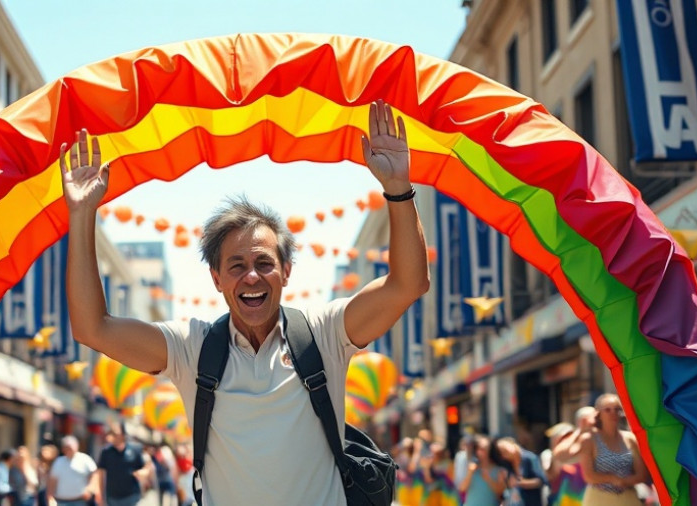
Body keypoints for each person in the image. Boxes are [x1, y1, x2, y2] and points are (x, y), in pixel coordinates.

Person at [60, 98, 430, 506]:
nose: (251, 276)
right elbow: (92, 328)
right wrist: (81, 215)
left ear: (287, 271)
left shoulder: (323, 333)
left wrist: (398, 190)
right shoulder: (193, 348)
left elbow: (407, 285)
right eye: (235, 265)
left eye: (264, 263)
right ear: (216, 279)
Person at [580, 394, 648, 505]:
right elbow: (589, 476)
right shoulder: (589, 439)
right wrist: (612, 478)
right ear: (599, 414)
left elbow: (642, 474)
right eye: (607, 410)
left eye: (617, 409)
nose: (613, 413)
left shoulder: (630, 438)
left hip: (628, 497)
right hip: (599, 498)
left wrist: (624, 481)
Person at [96, 422, 151, 506]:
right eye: (111, 433)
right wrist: (100, 494)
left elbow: (146, 467)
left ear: (123, 434)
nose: (112, 436)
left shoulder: (136, 449)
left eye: (115, 433)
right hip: (112, 498)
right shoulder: (106, 452)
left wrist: (143, 472)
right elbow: (100, 474)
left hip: (131, 496)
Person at [47, 435, 101, 506]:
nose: (68, 449)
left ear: (76, 446)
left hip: (80, 501)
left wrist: (90, 488)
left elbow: (95, 475)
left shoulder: (85, 459)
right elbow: (52, 481)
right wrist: (50, 498)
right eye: (66, 447)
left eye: (70, 447)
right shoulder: (58, 462)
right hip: (61, 501)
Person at [494, 437, 547, 506]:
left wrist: (520, 483)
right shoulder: (507, 465)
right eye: (502, 452)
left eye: (505, 448)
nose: (506, 452)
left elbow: (540, 481)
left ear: (512, 443)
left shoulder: (529, 458)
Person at [458, 436, 506, 506]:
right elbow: (462, 488)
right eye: (478, 448)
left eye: (483, 449)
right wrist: (470, 473)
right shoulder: (472, 468)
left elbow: (500, 491)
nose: (480, 451)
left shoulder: (498, 470)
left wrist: (488, 479)